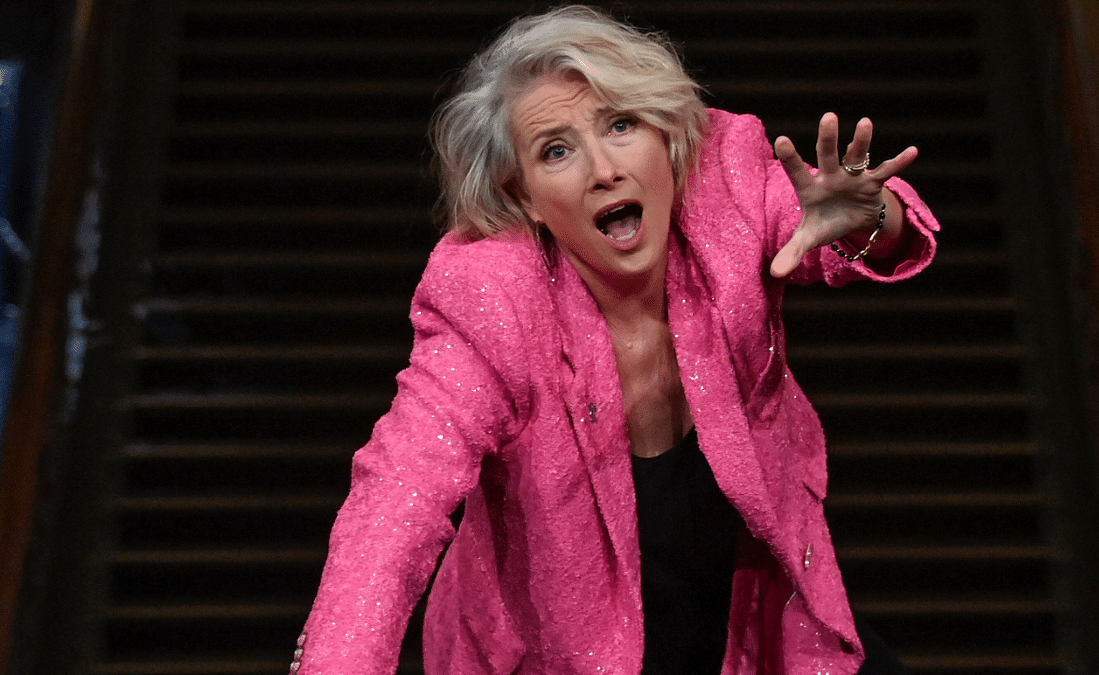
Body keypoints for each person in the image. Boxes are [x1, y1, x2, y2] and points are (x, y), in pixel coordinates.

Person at [290, 6, 938, 675]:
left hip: (744, 619)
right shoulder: (490, 301)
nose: (604, 169)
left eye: (621, 125)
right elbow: (397, 498)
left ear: (665, 137)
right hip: (558, 650)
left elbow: (848, 230)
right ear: (528, 196)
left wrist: (874, 218)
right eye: (557, 150)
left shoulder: (726, 188)